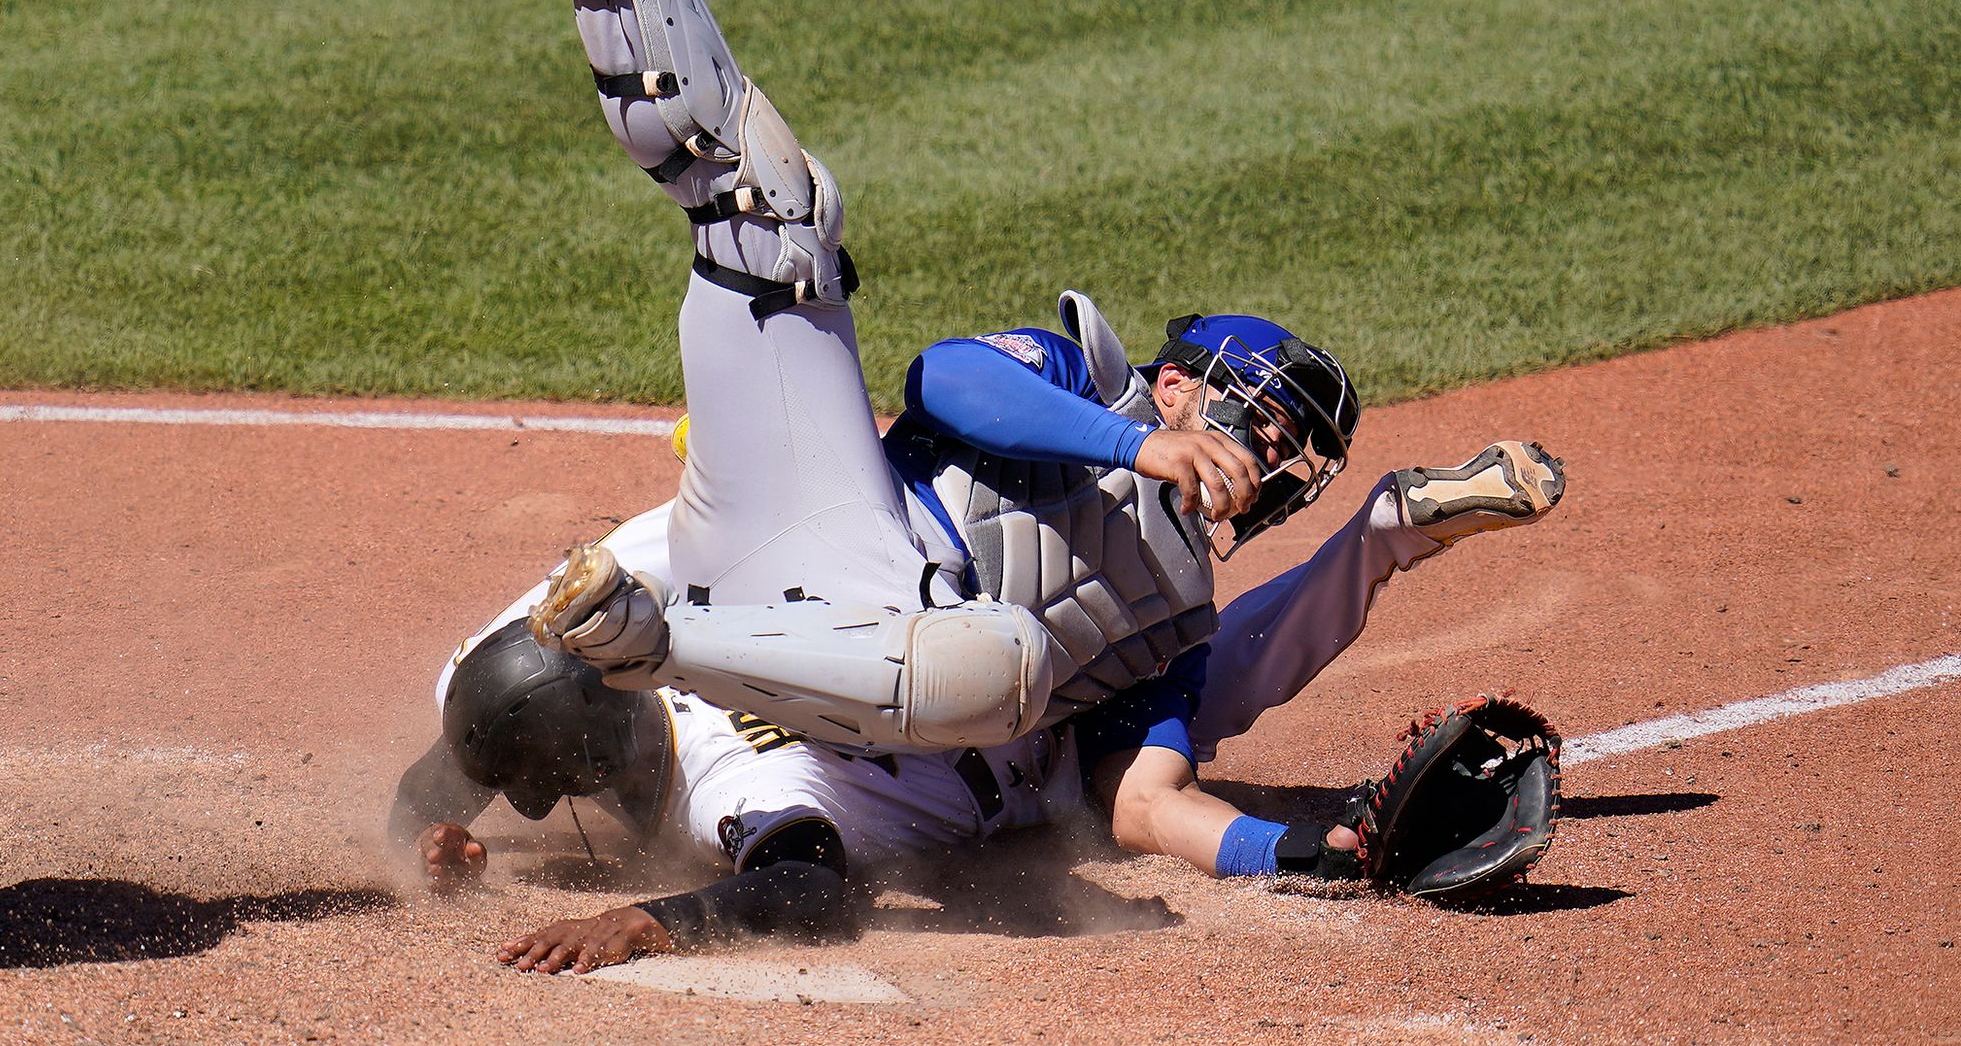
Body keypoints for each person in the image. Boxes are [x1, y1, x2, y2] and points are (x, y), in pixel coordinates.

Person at [501, 0, 1566, 761]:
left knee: (1003, 664)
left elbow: (1208, 713)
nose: (1275, 459)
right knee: (782, 216)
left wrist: (1384, 532)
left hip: (840, 694)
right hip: (815, 521)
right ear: (1183, 384)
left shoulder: (1175, 612)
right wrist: (1131, 445)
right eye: (1268, 418)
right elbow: (942, 378)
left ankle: (643, 643)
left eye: (1297, 455)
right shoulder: (1083, 381)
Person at [392, 437, 1566, 975]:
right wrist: (433, 833)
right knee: (1194, 667)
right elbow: (477, 738)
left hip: (1040, 752)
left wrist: (646, 921)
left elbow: (802, 884)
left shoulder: (727, 790)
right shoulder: (663, 645)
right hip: (982, 626)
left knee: (1169, 761)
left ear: (574, 770)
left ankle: (1337, 835)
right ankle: (1381, 529)